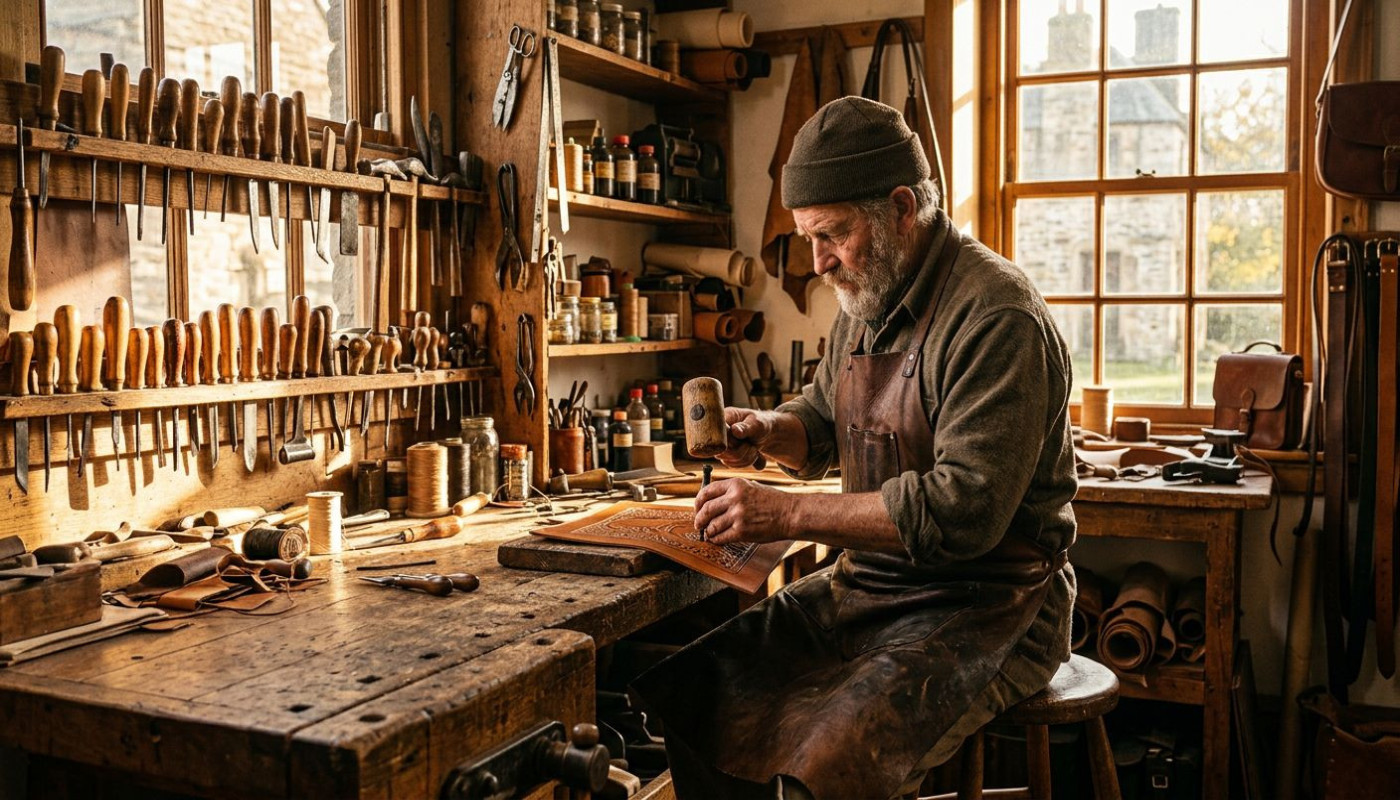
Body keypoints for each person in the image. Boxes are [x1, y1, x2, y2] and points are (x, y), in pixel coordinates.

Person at [630, 96, 1078, 800]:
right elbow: (821, 418)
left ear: (901, 208)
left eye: (833, 234)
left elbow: (962, 511)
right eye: (807, 237)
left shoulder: (997, 316)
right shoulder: (868, 297)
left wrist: (783, 514)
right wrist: (767, 432)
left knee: (832, 760)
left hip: (992, 604)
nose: (818, 262)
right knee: (696, 694)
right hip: (870, 588)